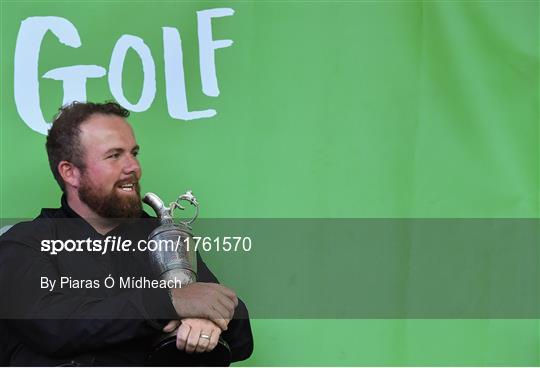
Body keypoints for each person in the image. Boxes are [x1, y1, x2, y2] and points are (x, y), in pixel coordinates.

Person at [0, 101, 253, 366]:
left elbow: (241, 337)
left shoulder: (160, 237)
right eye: (114, 155)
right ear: (71, 172)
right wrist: (169, 304)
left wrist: (208, 320)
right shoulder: (24, 243)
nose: (133, 167)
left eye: (134, 153)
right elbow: (50, 325)